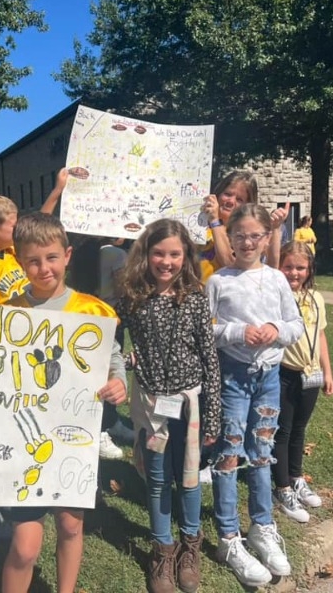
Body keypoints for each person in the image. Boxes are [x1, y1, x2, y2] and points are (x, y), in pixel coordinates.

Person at [0, 212, 127, 593]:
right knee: (25, 546)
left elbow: (113, 357)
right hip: (24, 440)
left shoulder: (91, 311)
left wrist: (119, 381)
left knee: (71, 525)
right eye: (33, 261)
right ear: (20, 262)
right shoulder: (8, 312)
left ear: (67, 255)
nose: (43, 268)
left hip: (75, 436)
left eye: (51, 257)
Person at [115, 219, 222, 593]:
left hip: (189, 404)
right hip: (151, 407)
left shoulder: (194, 296)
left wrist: (213, 415)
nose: (166, 261)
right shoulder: (131, 296)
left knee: (189, 478)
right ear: (145, 254)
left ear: (185, 256)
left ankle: (189, 545)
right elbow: (118, 346)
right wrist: (124, 363)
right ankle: (163, 548)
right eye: (158, 253)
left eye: (174, 254)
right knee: (158, 478)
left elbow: (210, 358)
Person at [205, 203, 304, 588]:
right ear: (229, 238)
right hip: (233, 378)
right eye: (240, 235)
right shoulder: (218, 281)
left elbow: (294, 324)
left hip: (268, 379)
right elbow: (207, 330)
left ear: (266, 238)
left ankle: (262, 526)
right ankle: (228, 537)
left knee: (261, 454)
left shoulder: (276, 279)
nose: (247, 242)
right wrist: (236, 333)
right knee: (229, 455)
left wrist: (273, 329)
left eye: (255, 235)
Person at [272, 242, 333, 523]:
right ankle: (282, 487)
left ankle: (297, 477)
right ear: (279, 266)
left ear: (309, 269)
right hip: (284, 373)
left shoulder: (316, 298)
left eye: (300, 267)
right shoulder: (277, 296)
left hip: (311, 374)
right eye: (288, 266)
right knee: (283, 431)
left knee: (300, 428)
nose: (294, 272)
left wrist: (328, 371)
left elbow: (320, 336)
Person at [67, 236, 135, 459]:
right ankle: (105, 426)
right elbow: (122, 288)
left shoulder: (80, 251)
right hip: (105, 315)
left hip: (78, 314)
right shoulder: (117, 255)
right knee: (104, 373)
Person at [0, 170, 68, 304]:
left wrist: (58, 189)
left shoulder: (16, 252)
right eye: (13, 226)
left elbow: (39, 223)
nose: (19, 228)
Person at [199, 170, 289, 283]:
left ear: (248, 205)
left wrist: (215, 221)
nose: (231, 201)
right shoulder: (198, 223)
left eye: (239, 199)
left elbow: (231, 265)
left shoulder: (246, 234)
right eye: (227, 194)